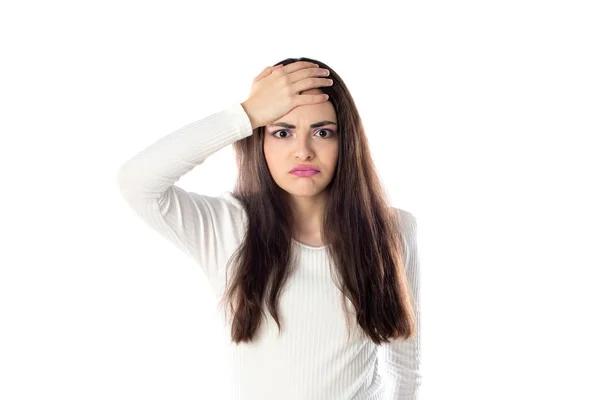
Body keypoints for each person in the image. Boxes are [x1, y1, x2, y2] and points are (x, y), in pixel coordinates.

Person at [116, 58, 421, 400]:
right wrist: (246, 114)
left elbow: (404, 367)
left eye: (323, 132)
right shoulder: (227, 228)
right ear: (258, 140)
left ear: (345, 143)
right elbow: (136, 181)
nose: (303, 151)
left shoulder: (393, 230)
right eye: (282, 132)